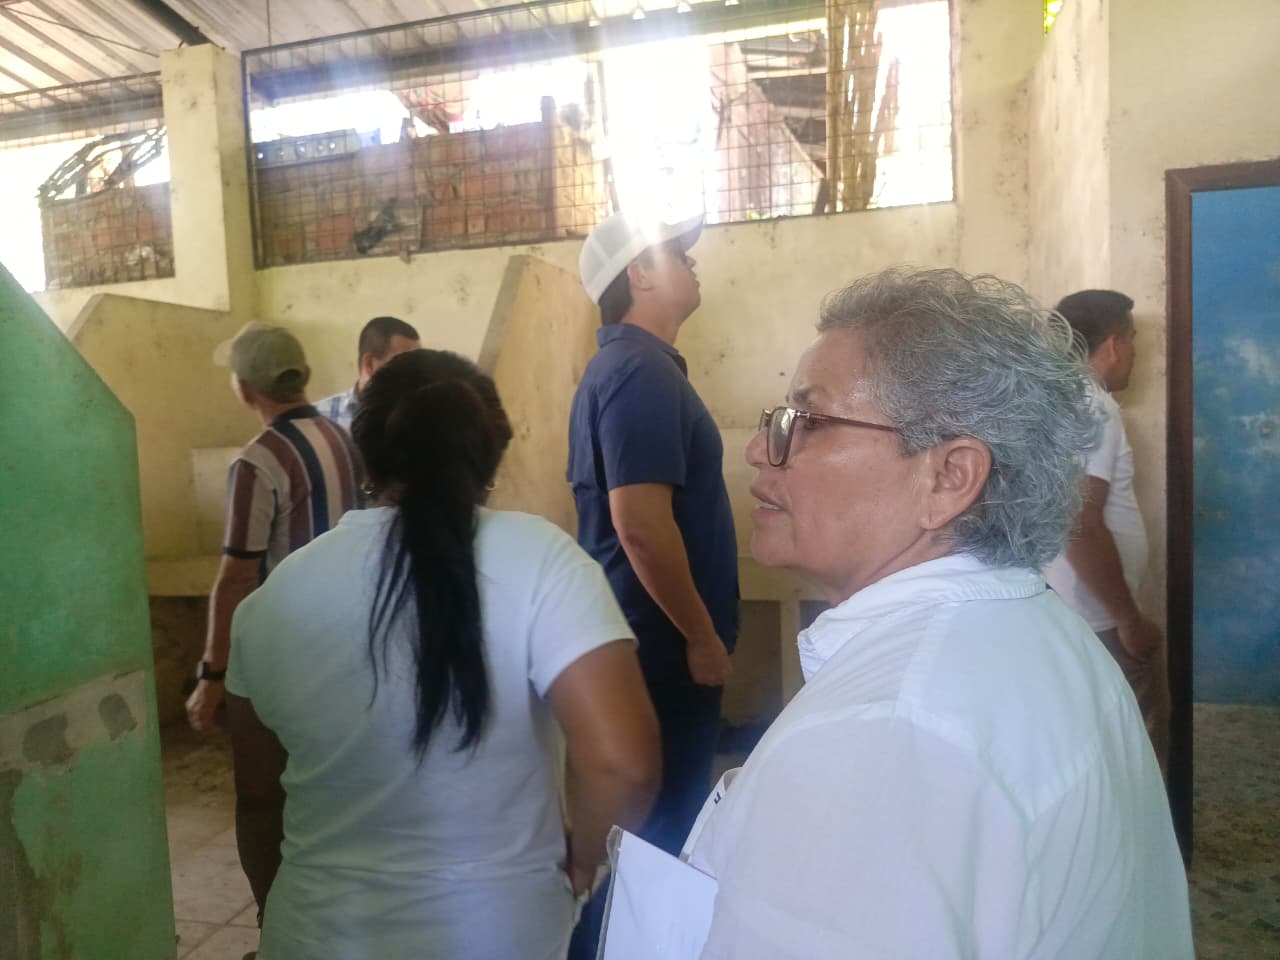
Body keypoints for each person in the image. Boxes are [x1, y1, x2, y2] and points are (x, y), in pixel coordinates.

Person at [676, 269, 1192, 958]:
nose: (757, 449)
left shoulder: (883, 732)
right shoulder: (1038, 630)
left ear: (949, 477)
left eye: (810, 421)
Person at [224, 349, 660, 959]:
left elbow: (257, 798)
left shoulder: (274, 600)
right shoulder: (542, 560)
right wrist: (585, 858)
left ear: (365, 449)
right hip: (501, 933)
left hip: (316, 931)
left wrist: (277, 911)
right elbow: (622, 765)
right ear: (490, 449)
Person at [566, 210, 737, 957]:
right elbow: (638, 523)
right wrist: (700, 636)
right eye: (676, 255)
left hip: (648, 643)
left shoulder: (634, 368)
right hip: (663, 651)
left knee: (650, 835)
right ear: (637, 274)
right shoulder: (639, 372)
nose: (692, 264)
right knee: (659, 839)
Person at [186, 323, 359, 734]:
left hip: (293, 651)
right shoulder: (344, 441)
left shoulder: (258, 461)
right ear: (306, 375)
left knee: (275, 762)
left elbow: (238, 577)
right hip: (351, 639)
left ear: (244, 390)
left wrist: (212, 676)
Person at [1044, 289, 1169, 771]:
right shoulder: (1092, 407)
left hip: (1065, 607)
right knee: (1137, 749)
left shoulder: (1052, 401)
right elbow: (1079, 520)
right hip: (1098, 618)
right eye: (1133, 340)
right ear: (1114, 345)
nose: (1136, 353)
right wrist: (1128, 619)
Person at [318, 315, 420, 430]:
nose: (416, 375)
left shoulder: (418, 416)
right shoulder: (319, 419)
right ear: (370, 364)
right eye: (406, 364)